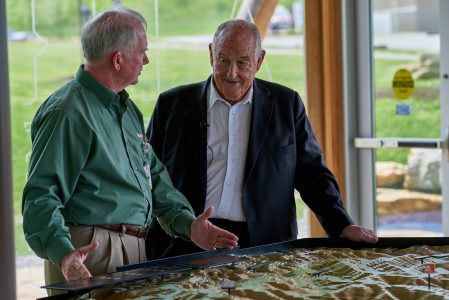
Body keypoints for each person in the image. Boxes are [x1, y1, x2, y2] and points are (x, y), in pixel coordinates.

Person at [21, 7, 238, 291]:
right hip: (88, 255)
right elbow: (40, 196)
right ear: (118, 59)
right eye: (143, 51)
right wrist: (64, 255)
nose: (147, 59)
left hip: (133, 252)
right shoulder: (68, 112)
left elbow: (154, 179)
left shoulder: (126, 109)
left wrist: (188, 224)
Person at [145, 19, 378, 259]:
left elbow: (313, 176)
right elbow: (147, 175)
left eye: (242, 62)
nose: (231, 72)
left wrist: (342, 225)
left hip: (265, 245)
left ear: (259, 60)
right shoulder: (171, 104)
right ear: (211, 53)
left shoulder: (287, 104)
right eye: (223, 59)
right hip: (186, 240)